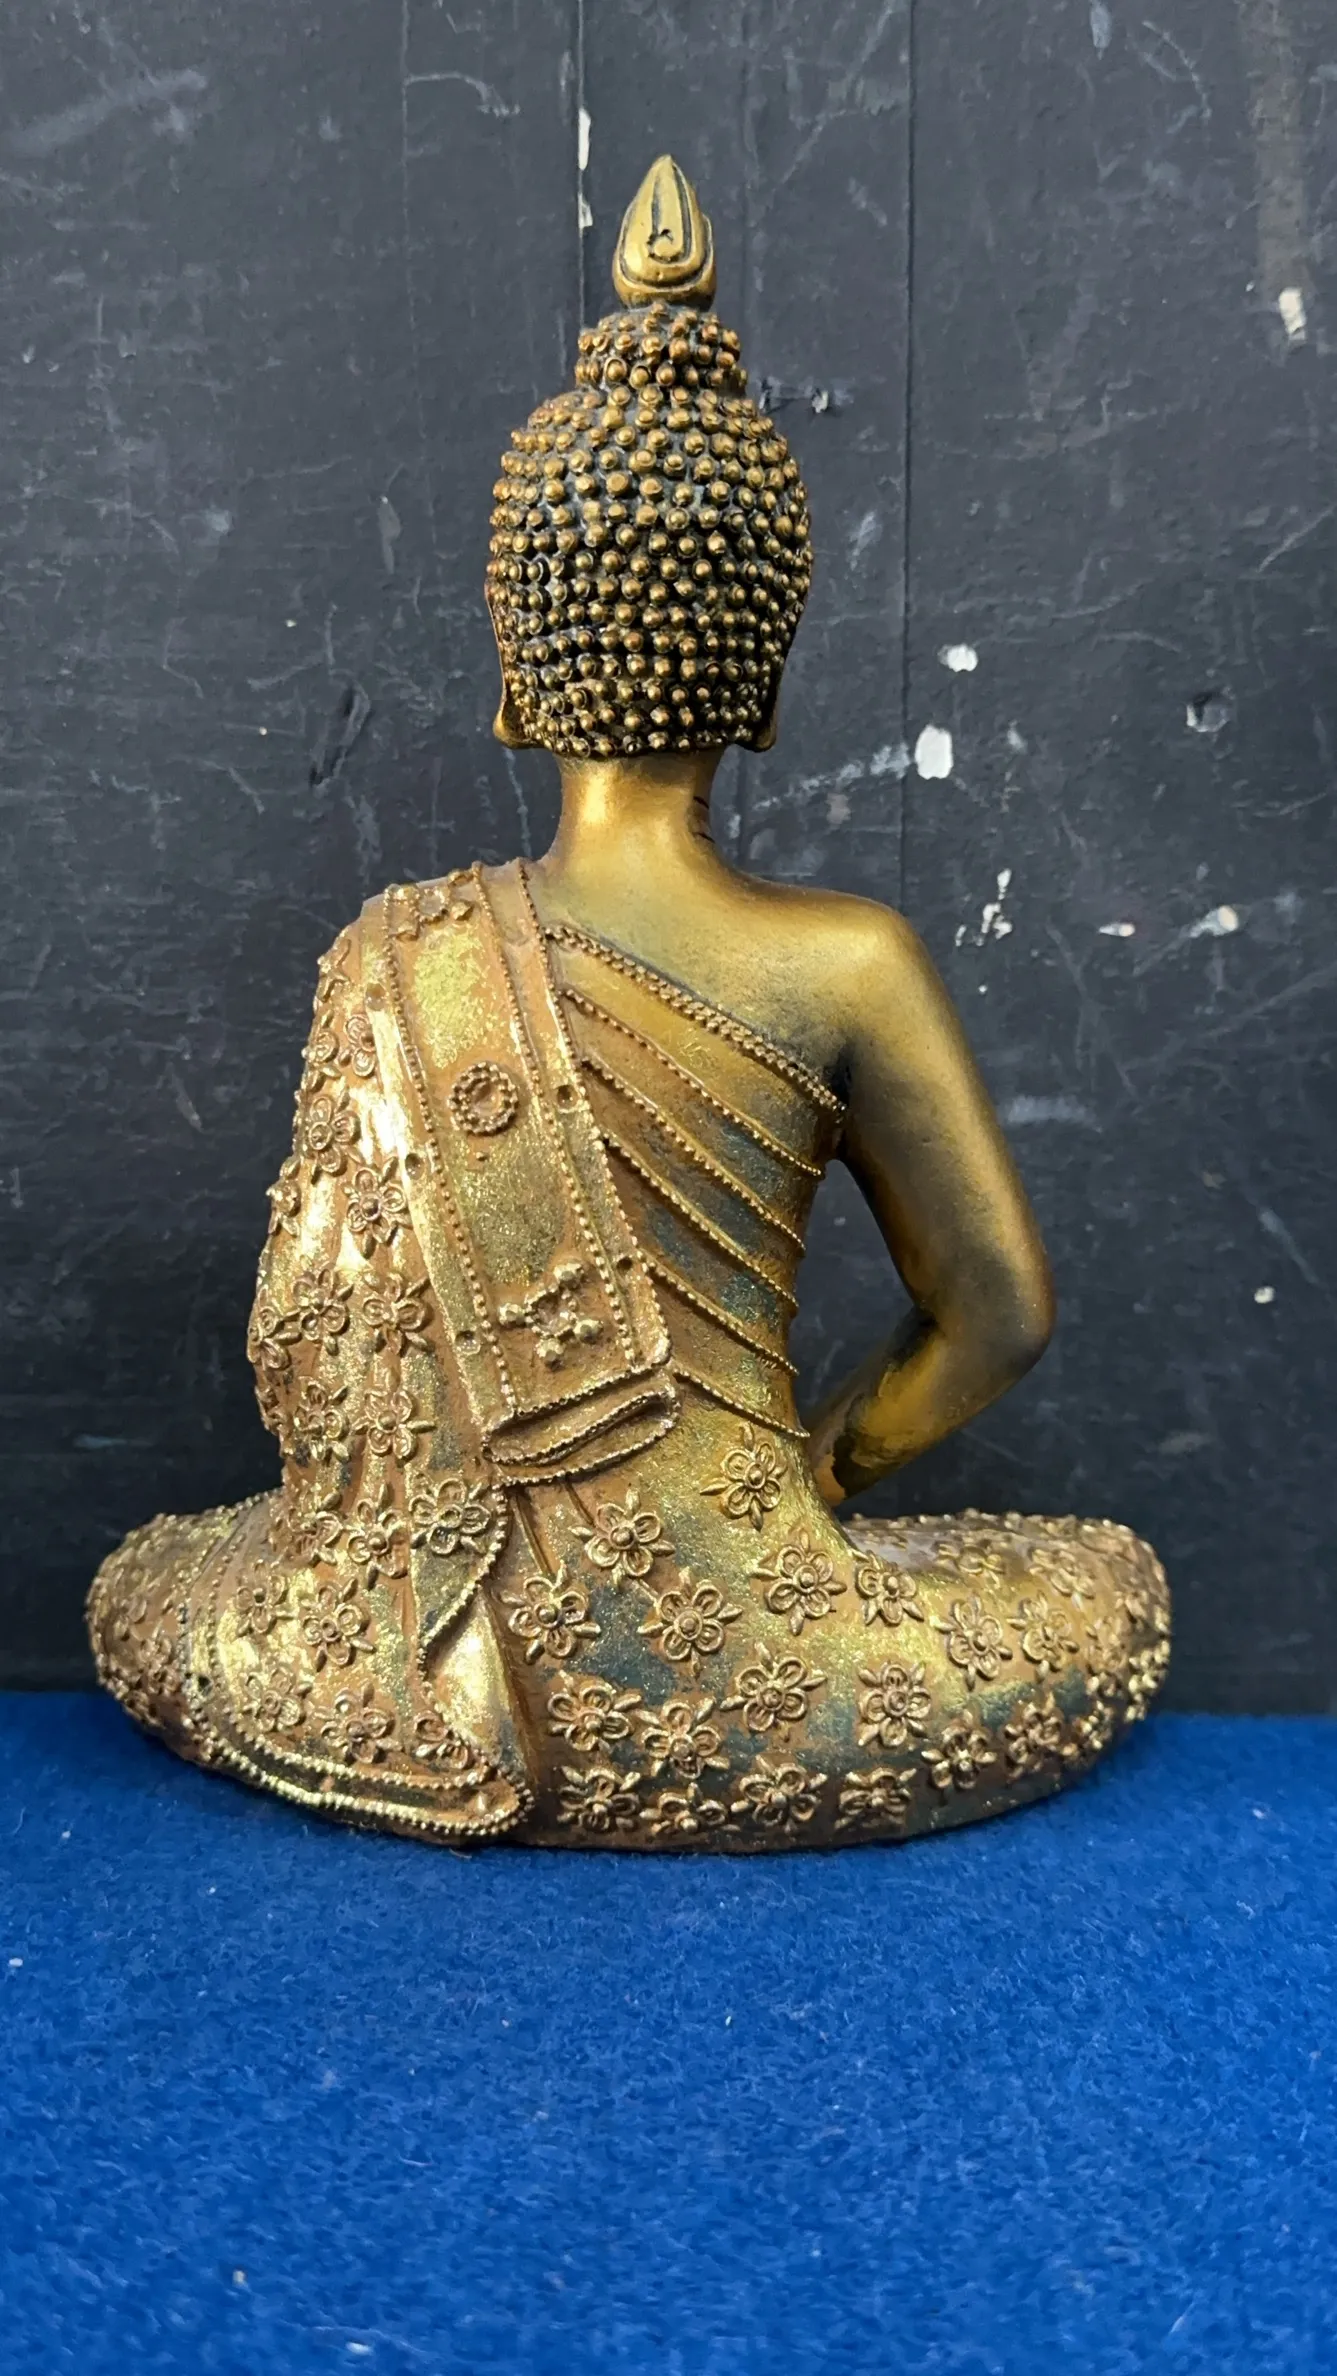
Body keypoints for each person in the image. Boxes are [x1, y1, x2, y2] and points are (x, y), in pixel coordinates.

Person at [89, 159, 1168, 1848]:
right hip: (760, 1671)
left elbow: (315, 1356)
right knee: (1104, 1583)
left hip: (410, 1656)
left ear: (516, 675)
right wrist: (812, 1474)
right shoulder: (851, 961)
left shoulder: (392, 954)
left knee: (138, 1588)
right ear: (763, 679)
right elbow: (1001, 1316)